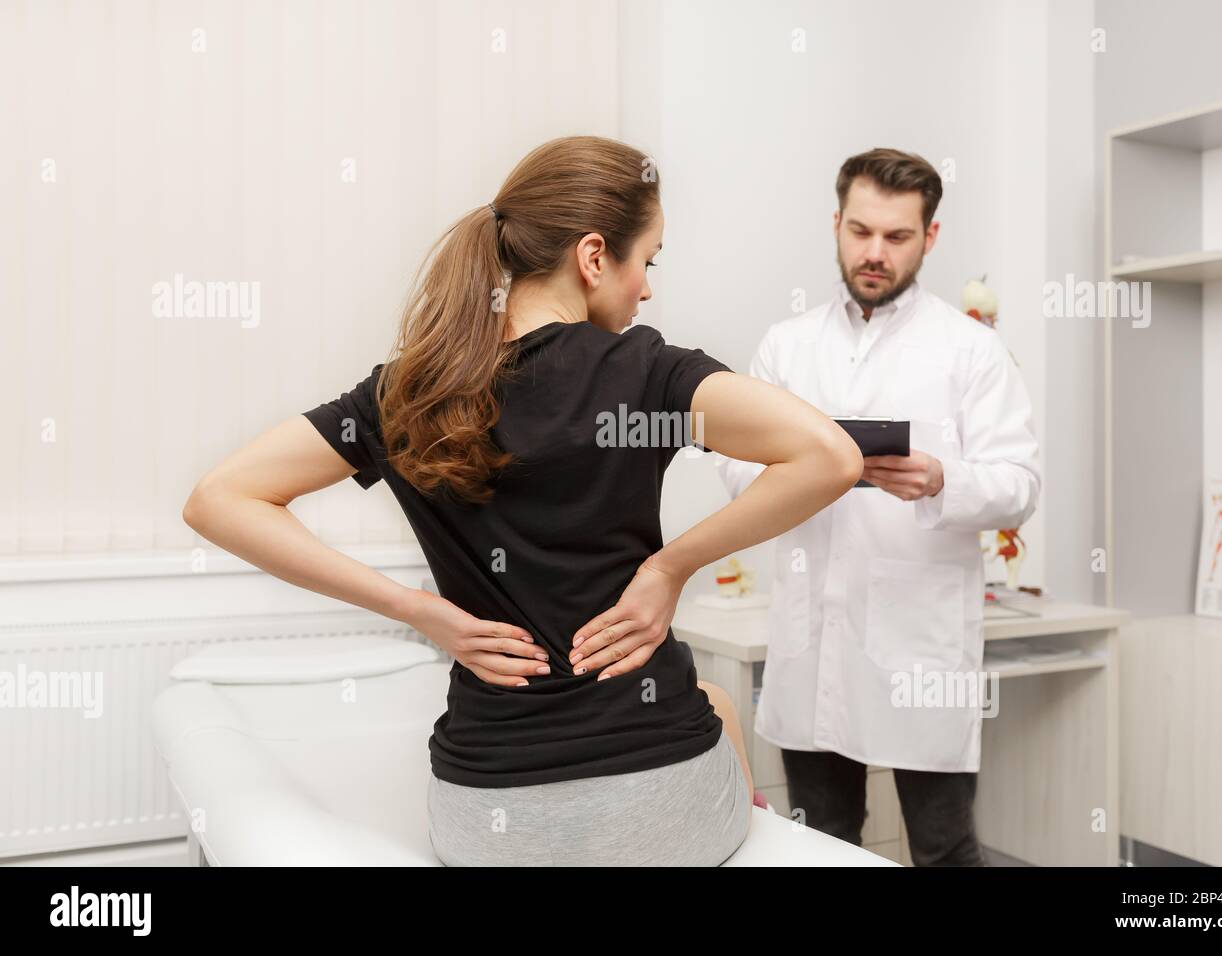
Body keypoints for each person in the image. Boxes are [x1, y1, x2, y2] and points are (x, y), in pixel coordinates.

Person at [181, 135, 864, 867]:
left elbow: (218, 500)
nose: (648, 288)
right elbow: (830, 455)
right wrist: (672, 567)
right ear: (595, 256)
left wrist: (419, 612)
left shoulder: (406, 394)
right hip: (668, 812)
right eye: (649, 261)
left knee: (714, 705)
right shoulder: (647, 376)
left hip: (489, 821)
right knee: (721, 707)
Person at [716, 147, 1041, 866]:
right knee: (822, 845)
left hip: (919, 650)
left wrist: (940, 481)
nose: (874, 252)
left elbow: (1020, 483)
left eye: (897, 237)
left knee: (944, 846)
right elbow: (736, 462)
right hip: (813, 643)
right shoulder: (786, 346)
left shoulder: (970, 350)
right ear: (836, 224)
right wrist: (805, 476)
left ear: (930, 238)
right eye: (860, 231)